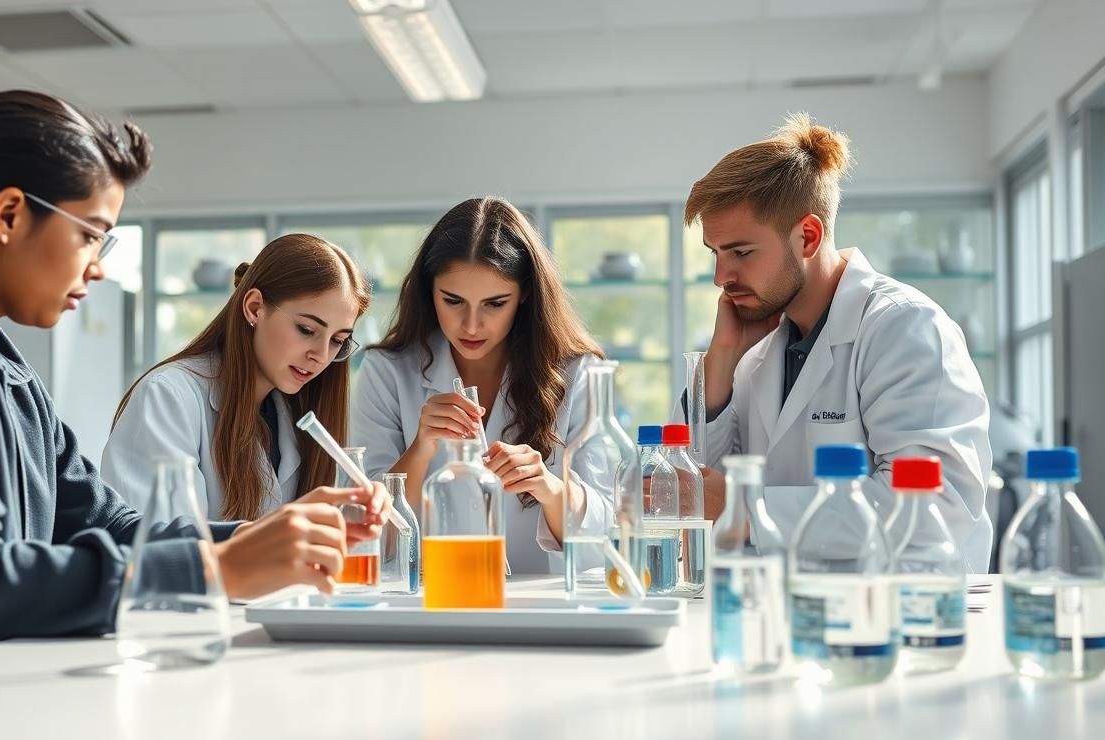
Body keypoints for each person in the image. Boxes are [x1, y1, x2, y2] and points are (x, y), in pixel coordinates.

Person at [0, 91, 382, 698]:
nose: (99, 267)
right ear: (9, 215)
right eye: (91, 235)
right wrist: (217, 571)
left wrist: (260, 539)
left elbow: (108, 523)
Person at [681, 113, 992, 571]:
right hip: (790, 609)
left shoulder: (905, 327)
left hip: (904, 616)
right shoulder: (757, 352)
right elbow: (686, 489)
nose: (720, 277)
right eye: (716, 253)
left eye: (741, 253)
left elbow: (932, 506)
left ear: (807, 237)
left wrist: (748, 507)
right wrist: (723, 357)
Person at [351, 197, 617, 574]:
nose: (471, 325)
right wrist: (421, 449)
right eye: (453, 301)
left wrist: (549, 487)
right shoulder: (387, 371)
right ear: (429, 292)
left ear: (524, 294)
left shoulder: (578, 373)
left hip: (539, 609)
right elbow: (370, 534)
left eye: (494, 303)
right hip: (432, 602)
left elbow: (605, 532)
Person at [103, 234, 370, 523]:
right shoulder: (167, 398)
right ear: (255, 307)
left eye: (337, 341)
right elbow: (159, 553)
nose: (321, 355)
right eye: (306, 330)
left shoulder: (293, 412)